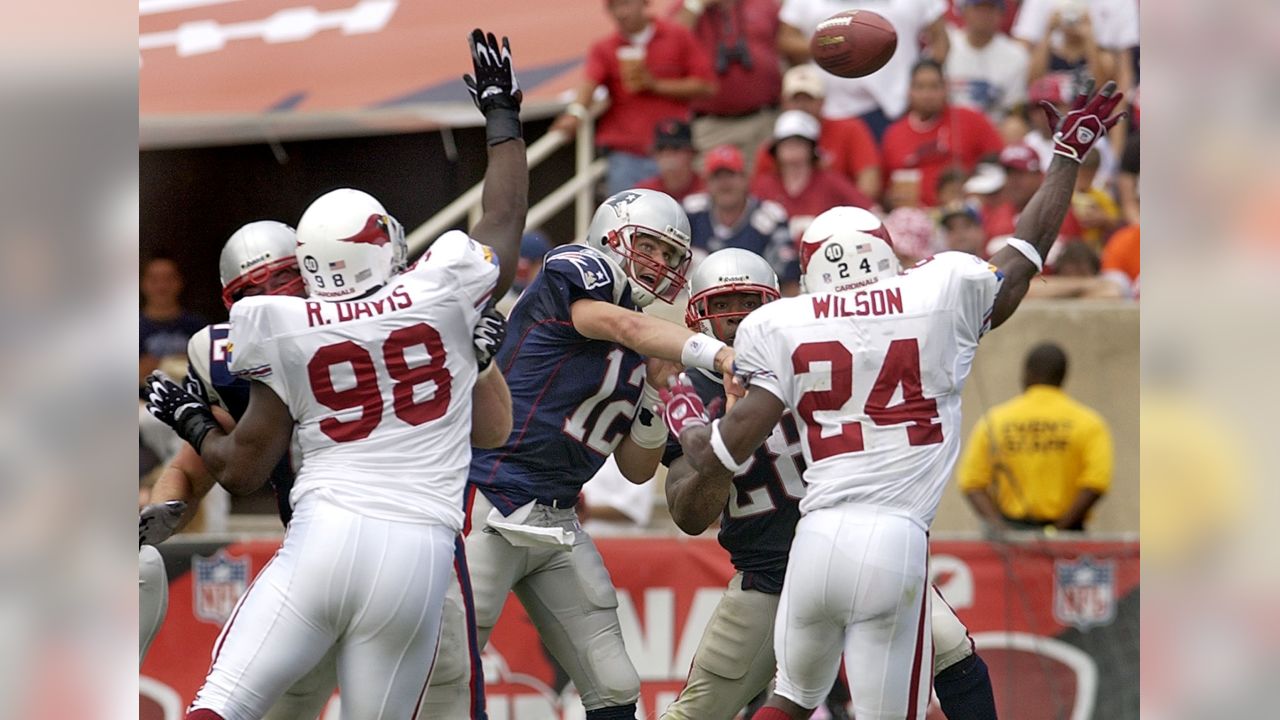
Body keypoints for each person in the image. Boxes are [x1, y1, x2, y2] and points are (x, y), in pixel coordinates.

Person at [656, 79, 1125, 720]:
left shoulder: (781, 327)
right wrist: (1066, 156)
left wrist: (686, 418)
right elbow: (1022, 256)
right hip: (890, 538)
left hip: (815, 537)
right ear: (887, 254)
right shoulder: (937, 290)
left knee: (793, 698)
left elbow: (729, 442)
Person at [142, 28, 528, 720]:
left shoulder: (280, 326)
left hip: (324, 536)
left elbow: (242, 469)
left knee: (220, 704)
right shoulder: (440, 289)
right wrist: (501, 119)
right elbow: (502, 217)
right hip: (418, 555)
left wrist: (189, 418)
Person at [421, 187, 738, 720]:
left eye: (670, 257)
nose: (659, 265)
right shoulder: (576, 277)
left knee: (613, 684)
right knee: (448, 673)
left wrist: (657, 392)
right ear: (609, 236)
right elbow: (618, 324)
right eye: (651, 247)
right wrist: (717, 351)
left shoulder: (645, 352)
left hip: (557, 518)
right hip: (488, 502)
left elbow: (637, 471)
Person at [661, 246, 998, 720]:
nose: (737, 320)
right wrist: (713, 446)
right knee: (697, 713)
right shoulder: (691, 392)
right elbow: (688, 515)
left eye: (750, 303)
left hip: (849, 544)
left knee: (954, 652)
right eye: (722, 306)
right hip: (768, 574)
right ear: (699, 315)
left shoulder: (815, 357)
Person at [551, 0, 716, 196]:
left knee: (678, 219)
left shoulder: (677, 36)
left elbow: (707, 85)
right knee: (626, 219)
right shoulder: (605, 48)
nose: (621, 13)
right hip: (627, 155)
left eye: (626, 4)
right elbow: (589, 82)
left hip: (671, 151)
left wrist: (655, 85)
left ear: (644, 3)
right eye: (614, 7)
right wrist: (575, 113)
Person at [958, 342, 1114, 530]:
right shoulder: (1089, 423)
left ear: (1027, 374)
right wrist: (1059, 530)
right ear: (1063, 376)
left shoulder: (994, 421)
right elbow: (1096, 482)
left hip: (1010, 539)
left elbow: (972, 482)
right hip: (1069, 537)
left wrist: (1002, 529)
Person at [777, 0, 950, 140]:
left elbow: (941, 40)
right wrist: (831, 44)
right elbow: (785, 40)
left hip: (896, 107)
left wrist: (922, 86)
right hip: (830, 109)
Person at [882, 59, 1005, 208]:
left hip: (963, 212)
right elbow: (885, 190)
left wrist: (975, 188)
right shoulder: (894, 133)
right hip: (914, 216)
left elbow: (998, 163)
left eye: (934, 87)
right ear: (909, 91)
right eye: (920, 87)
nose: (927, 95)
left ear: (946, 88)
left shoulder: (970, 119)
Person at [670, 0, 783, 161]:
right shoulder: (688, 8)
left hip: (762, 121)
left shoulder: (763, 5)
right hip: (711, 126)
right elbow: (671, 43)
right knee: (712, 183)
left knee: (762, 181)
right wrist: (695, 5)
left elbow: (786, 42)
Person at [751, 64, 882, 200]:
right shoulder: (773, 145)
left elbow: (869, 187)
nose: (802, 105)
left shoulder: (850, 130)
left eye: (809, 99)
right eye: (795, 99)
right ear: (783, 102)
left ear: (822, 101)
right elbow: (760, 192)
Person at [683, 144, 800, 294]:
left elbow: (789, 282)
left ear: (745, 178)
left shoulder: (770, 218)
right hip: (691, 307)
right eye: (717, 176)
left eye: (731, 175)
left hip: (755, 305)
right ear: (707, 182)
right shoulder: (690, 213)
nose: (725, 184)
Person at [751, 110, 873, 242]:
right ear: (776, 149)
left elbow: (869, 212)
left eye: (799, 142)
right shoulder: (764, 184)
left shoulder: (830, 181)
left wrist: (833, 226)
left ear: (811, 148)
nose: (792, 148)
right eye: (786, 142)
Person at [945, 0, 1030, 122]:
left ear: (1001, 14)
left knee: (1015, 125)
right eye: (978, 8)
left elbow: (1014, 109)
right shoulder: (946, 46)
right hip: (950, 125)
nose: (984, 15)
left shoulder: (1016, 55)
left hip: (994, 129)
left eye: (990, 9)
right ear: (964, 11)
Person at [140, 255, 206, 385]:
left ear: (180, 282)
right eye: (154, 280)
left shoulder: (198, 328)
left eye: (168, 279)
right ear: (142, 283)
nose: (161, 286)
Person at [636, 118, 706, 203]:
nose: (667, 154)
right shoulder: (644, 192)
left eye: (675, 148)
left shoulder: (707, 188)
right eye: (661, 149)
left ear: (691, 154)